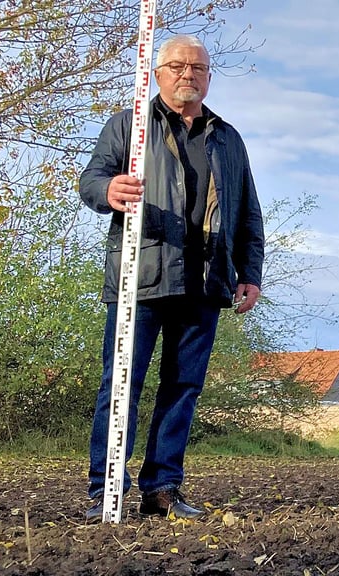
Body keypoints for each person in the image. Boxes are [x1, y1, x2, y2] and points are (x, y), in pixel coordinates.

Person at [78, 35, 265, 521]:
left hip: (205, 283)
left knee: (183, 388)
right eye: (179, 66)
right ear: (158, 73)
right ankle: (106, 488)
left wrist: (250, 274)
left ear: (208, 77)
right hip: (140, 278)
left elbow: (248, 212)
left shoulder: (227, 137)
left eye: (199, 68)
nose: (189, 74)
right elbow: (91, 180)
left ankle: (162, 487)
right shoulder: (130, 126)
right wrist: (108, 189)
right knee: (121, 385)